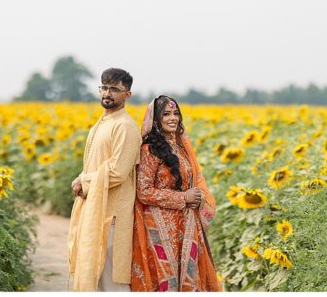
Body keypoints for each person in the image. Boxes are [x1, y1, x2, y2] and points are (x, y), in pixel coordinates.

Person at [130, 95, 221, 292]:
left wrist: (198, 197)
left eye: (176, 114)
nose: (173, 118)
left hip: (187, 225)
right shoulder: (149, 150)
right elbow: (143, 192)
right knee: (165, 278)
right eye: (166, 114)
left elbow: (194, 181)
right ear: (155, 120)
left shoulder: (181, 149)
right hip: (160, 227)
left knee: (189, 276)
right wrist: (183, 198)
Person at [68, 68, 142, 291]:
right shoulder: (103, 123)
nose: (107, 93)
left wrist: (85, 182)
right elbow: (96, 165)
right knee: (96, 277)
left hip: (113, 215)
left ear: (127, 95)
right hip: (96, 209)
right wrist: (83, 178)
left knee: (111, 281)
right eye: (104, 88)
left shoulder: (126, 127)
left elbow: (118, 171)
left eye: (114, 89)